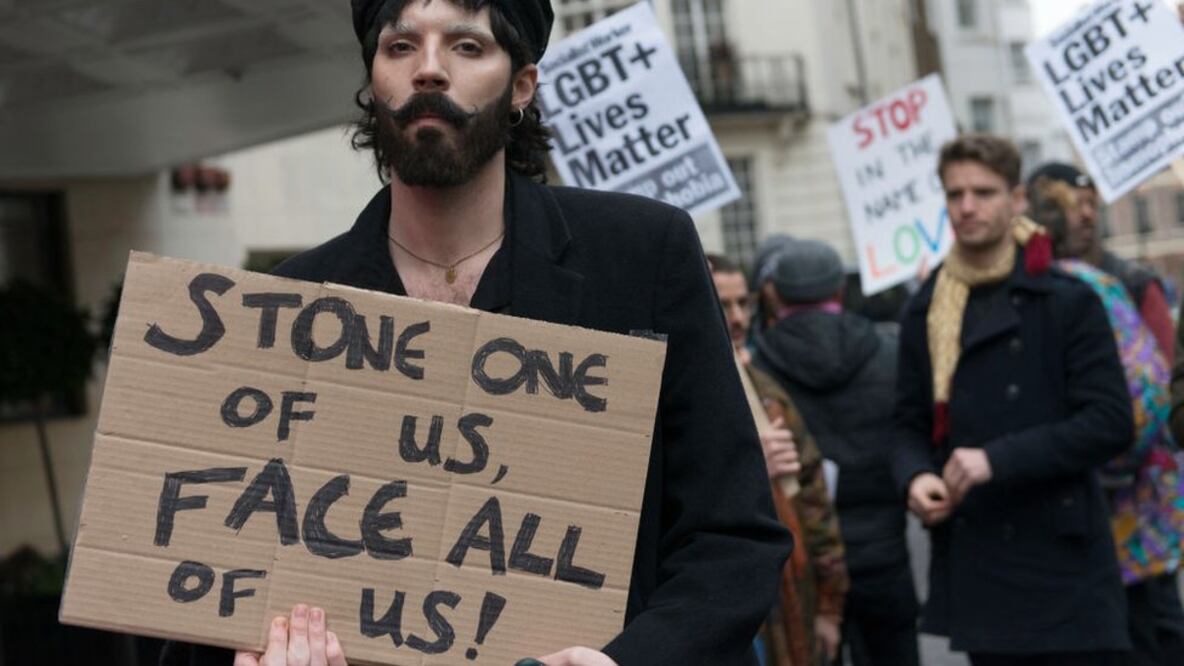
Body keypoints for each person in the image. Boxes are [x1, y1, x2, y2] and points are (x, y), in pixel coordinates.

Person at [159, 1, 792, 664]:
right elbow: (206, 588)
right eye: (401, 47)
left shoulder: (642, 253)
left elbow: (732, 538)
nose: (428, 70)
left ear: (522, 84)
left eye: (466, 46)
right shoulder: (287, 308)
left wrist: (625, 660)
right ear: (374, 80)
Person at [892, 134, 1133, 665]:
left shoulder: (1068, 299)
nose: (968, 206)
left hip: (1064, 564)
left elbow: (1111, 422)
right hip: (981, 560)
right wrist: (916, 476)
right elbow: (907, 423)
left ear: (1017, 199)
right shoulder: (927, 308)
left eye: (984, 191)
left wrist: (995, 460)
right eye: (955, 194)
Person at [1028, 178, 1184, 666]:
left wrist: (1104, 460)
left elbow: (1153, 393)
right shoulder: (1045, 291)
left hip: (1130, 513)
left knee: (1149, 633)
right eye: (1079, 207)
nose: (1088, 215)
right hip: (1086, 527)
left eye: (1091, 205)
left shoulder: (1116, 286)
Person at [749, 240, 920, 666]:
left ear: (774, 294)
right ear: (840, 292)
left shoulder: (758, 367)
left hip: (808, 554)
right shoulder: (888, 351)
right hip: (883, 548)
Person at [709, 253, 849, 666]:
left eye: (743, 303)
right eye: (722, 304)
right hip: (722, 610)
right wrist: (750, 471)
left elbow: (814, 500)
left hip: (789, 605)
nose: (737, 318)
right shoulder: (670, 397)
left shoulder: (766, 393)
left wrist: (828, 608)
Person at [1025, 162, 1174, 365]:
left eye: (1092, 204)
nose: (1087, 214)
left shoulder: (1135, 282)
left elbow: (1169, 367)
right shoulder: (1022, 284)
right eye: (1076, 203)